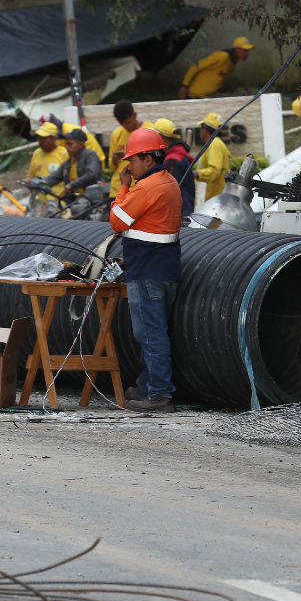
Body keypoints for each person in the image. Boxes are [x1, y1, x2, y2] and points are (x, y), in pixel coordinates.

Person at [110, 128, 182, 413]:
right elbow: (155, 230)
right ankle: (145, 387)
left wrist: (122, 187)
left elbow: (117, 221)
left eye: (133, 160)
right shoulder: (170, 182)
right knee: (153, 332)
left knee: (150, 335)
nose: (129, 166)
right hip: (163, 268)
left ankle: (159, 394)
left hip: (147, 273)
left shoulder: (146, 187)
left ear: (148, 159)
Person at [178, 37, 254, 99]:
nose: (248, 54)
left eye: (248, 51)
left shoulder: (232, 65)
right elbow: (195, 66)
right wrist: (184, 86)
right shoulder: (222, 56)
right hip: (193, 96)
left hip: (205, 98)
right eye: (245, 51)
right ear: (237, 49)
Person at [150, 118, 196, 217]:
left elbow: (169, 192)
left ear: (161, 136)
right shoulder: (176, 155)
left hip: (180, 214)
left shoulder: (173, 159)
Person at [43, 128, 105, 198]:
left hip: (94, 202)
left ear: (81, 144)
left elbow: (91, 174)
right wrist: (38, 182)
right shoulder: (68, 163)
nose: (67, 147)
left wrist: (72, 185)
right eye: (66, 144)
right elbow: (54, 177)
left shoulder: (90, 155)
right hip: (78, 204)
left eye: (70, 144)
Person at [27, 120, 68, 201]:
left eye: (44, 138)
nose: (40, 141)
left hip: (59, 203)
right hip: (41, 204)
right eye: (39, 138)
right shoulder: (36, 153)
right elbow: (32, 176)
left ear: (54, 139)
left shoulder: (64, 154)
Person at [194, 113, 231, 201]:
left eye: (201, 128)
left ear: (205, 128)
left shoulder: (214, 144)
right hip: (217, 198)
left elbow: (215, 171)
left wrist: (196, 173)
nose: (200, 131)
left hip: (214, 200)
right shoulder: (217, 143)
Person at [108, 100, 142, 195]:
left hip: (139, 189)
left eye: (128, 122)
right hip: (117, 190)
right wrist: (114, 161)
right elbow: (111, 166)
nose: (125, 126)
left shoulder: (148, 130)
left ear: (134, 115)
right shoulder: (116, 134)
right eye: (122, 124)